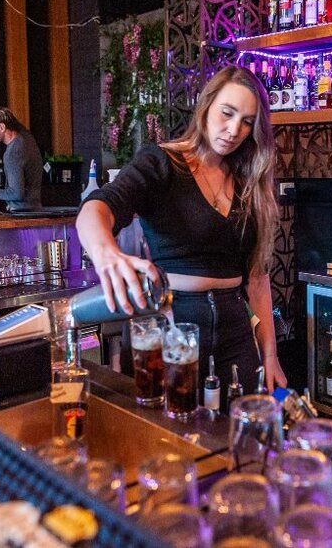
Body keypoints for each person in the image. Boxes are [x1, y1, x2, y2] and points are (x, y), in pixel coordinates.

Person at [76, 65, 288, 404]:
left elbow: (257, 278)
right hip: (171, 323)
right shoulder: (163, 162)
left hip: (235, 326)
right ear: (206, 107)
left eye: (247, 122)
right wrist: (107, 255)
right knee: (169, 439)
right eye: (227, 113)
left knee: (246, 439)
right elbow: (96, 209)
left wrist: (270, 354)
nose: (234, 130)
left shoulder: (249, 181)